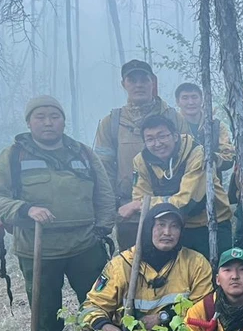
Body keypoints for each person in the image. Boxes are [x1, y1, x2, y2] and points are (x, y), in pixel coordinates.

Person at [0, 95, 115, 331]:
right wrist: (25, 209)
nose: (48, 122)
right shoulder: (13, 155)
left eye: (54, 117)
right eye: (40, 117)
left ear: (63, 121)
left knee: (100, 302)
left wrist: (102, 228)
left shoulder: (82, 152)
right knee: (45, 308)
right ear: (29, 122)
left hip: (85, 245)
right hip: (37, 248)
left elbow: (104, 193)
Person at [73, 204, 213, 331]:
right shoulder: (122, 264)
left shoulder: (196, 263)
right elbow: (91, 306)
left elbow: (204, 308)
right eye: (161, 225)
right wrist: (105, 327)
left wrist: (164, 317)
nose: (167, 232)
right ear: (148, 229)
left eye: (174, 226)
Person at [94, 59, 187, 249]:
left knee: (174, 266)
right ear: (123, 84)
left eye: (144, 80)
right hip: (130, 213)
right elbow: (103, 171)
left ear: (153, 82)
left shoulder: (173, 118)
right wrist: (111, 210)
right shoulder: (111, 122)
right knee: (133, 267)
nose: (139, 85)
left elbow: (190, 158)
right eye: (132, 80)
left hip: (171, 209)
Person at [126, 115, 232, 258]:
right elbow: (140, 197)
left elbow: (187, 201)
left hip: (210, 224)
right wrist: (141, 205)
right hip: (170, 228)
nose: (157, 144)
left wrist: (143, 205)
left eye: (162, 136)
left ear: (175, 136)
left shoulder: (198, 154)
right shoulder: (141, 161)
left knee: (214, 274)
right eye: (150, 139)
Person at [174, 82, 234, 172]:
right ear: (178, 102)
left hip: (212, 182)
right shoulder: (173, 126)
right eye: (185, 98)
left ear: (202, 100)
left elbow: (229, 158)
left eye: (194, 97)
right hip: (180, 184)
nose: (190, 102)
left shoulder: (216, 126)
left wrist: (211, 158)